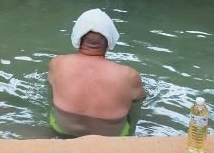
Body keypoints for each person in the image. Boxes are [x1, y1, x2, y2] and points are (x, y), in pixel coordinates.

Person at [48, 9, 145, 137]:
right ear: (110, 40)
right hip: (112, 137)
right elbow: (139, 100)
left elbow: (51, 87)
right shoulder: (129, 76)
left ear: (77, 36)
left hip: (62, 130)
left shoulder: (58, 64)